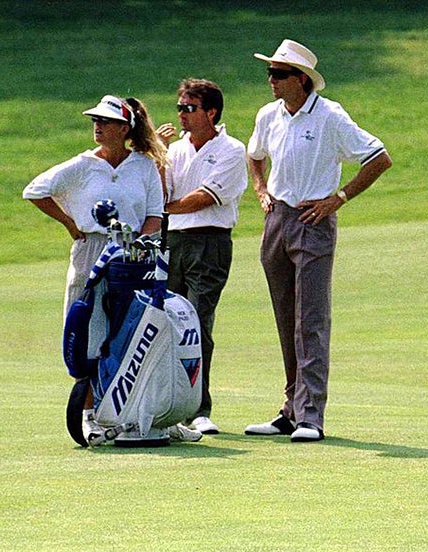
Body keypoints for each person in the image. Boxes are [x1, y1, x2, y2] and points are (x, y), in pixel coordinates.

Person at [23, 95, 201, 443]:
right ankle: (90, 415)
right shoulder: (83, 165)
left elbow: (154, 212)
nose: (98, 126)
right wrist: (71, 223)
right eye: (95, 121)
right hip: (92, 251)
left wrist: (145, 242)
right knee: (91, 333)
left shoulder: (144, 165)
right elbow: (35, 191)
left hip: (135, 256)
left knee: (137, 333)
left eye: (105, 122)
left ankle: (150, 414)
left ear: (124, 128)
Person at [244, 39, 392, 442]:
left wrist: (338, 199)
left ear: (301, 80)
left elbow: (378, 157)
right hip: (278, 220)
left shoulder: (329, 116)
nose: (271, 80)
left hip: (313, 222)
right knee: (285, 318)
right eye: (270, 73)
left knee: (310, 320)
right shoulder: (268, 115)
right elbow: (253, 155)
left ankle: (311, 416)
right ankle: (290, 409)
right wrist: (260, 192)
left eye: (278, 74)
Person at [156, 79, 249, 435]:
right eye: (179, 108)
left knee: (196, 322)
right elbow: (162, 188)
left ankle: (198, 408)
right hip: (173, 242)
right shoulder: (175, 150)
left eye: (189, 108)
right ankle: (170, 407)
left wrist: (164, 209)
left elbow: (204, 197)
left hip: (209, 241)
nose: (181, 115)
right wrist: (159, 156)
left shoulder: (230, 150)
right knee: (167, 323)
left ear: (211, 112)